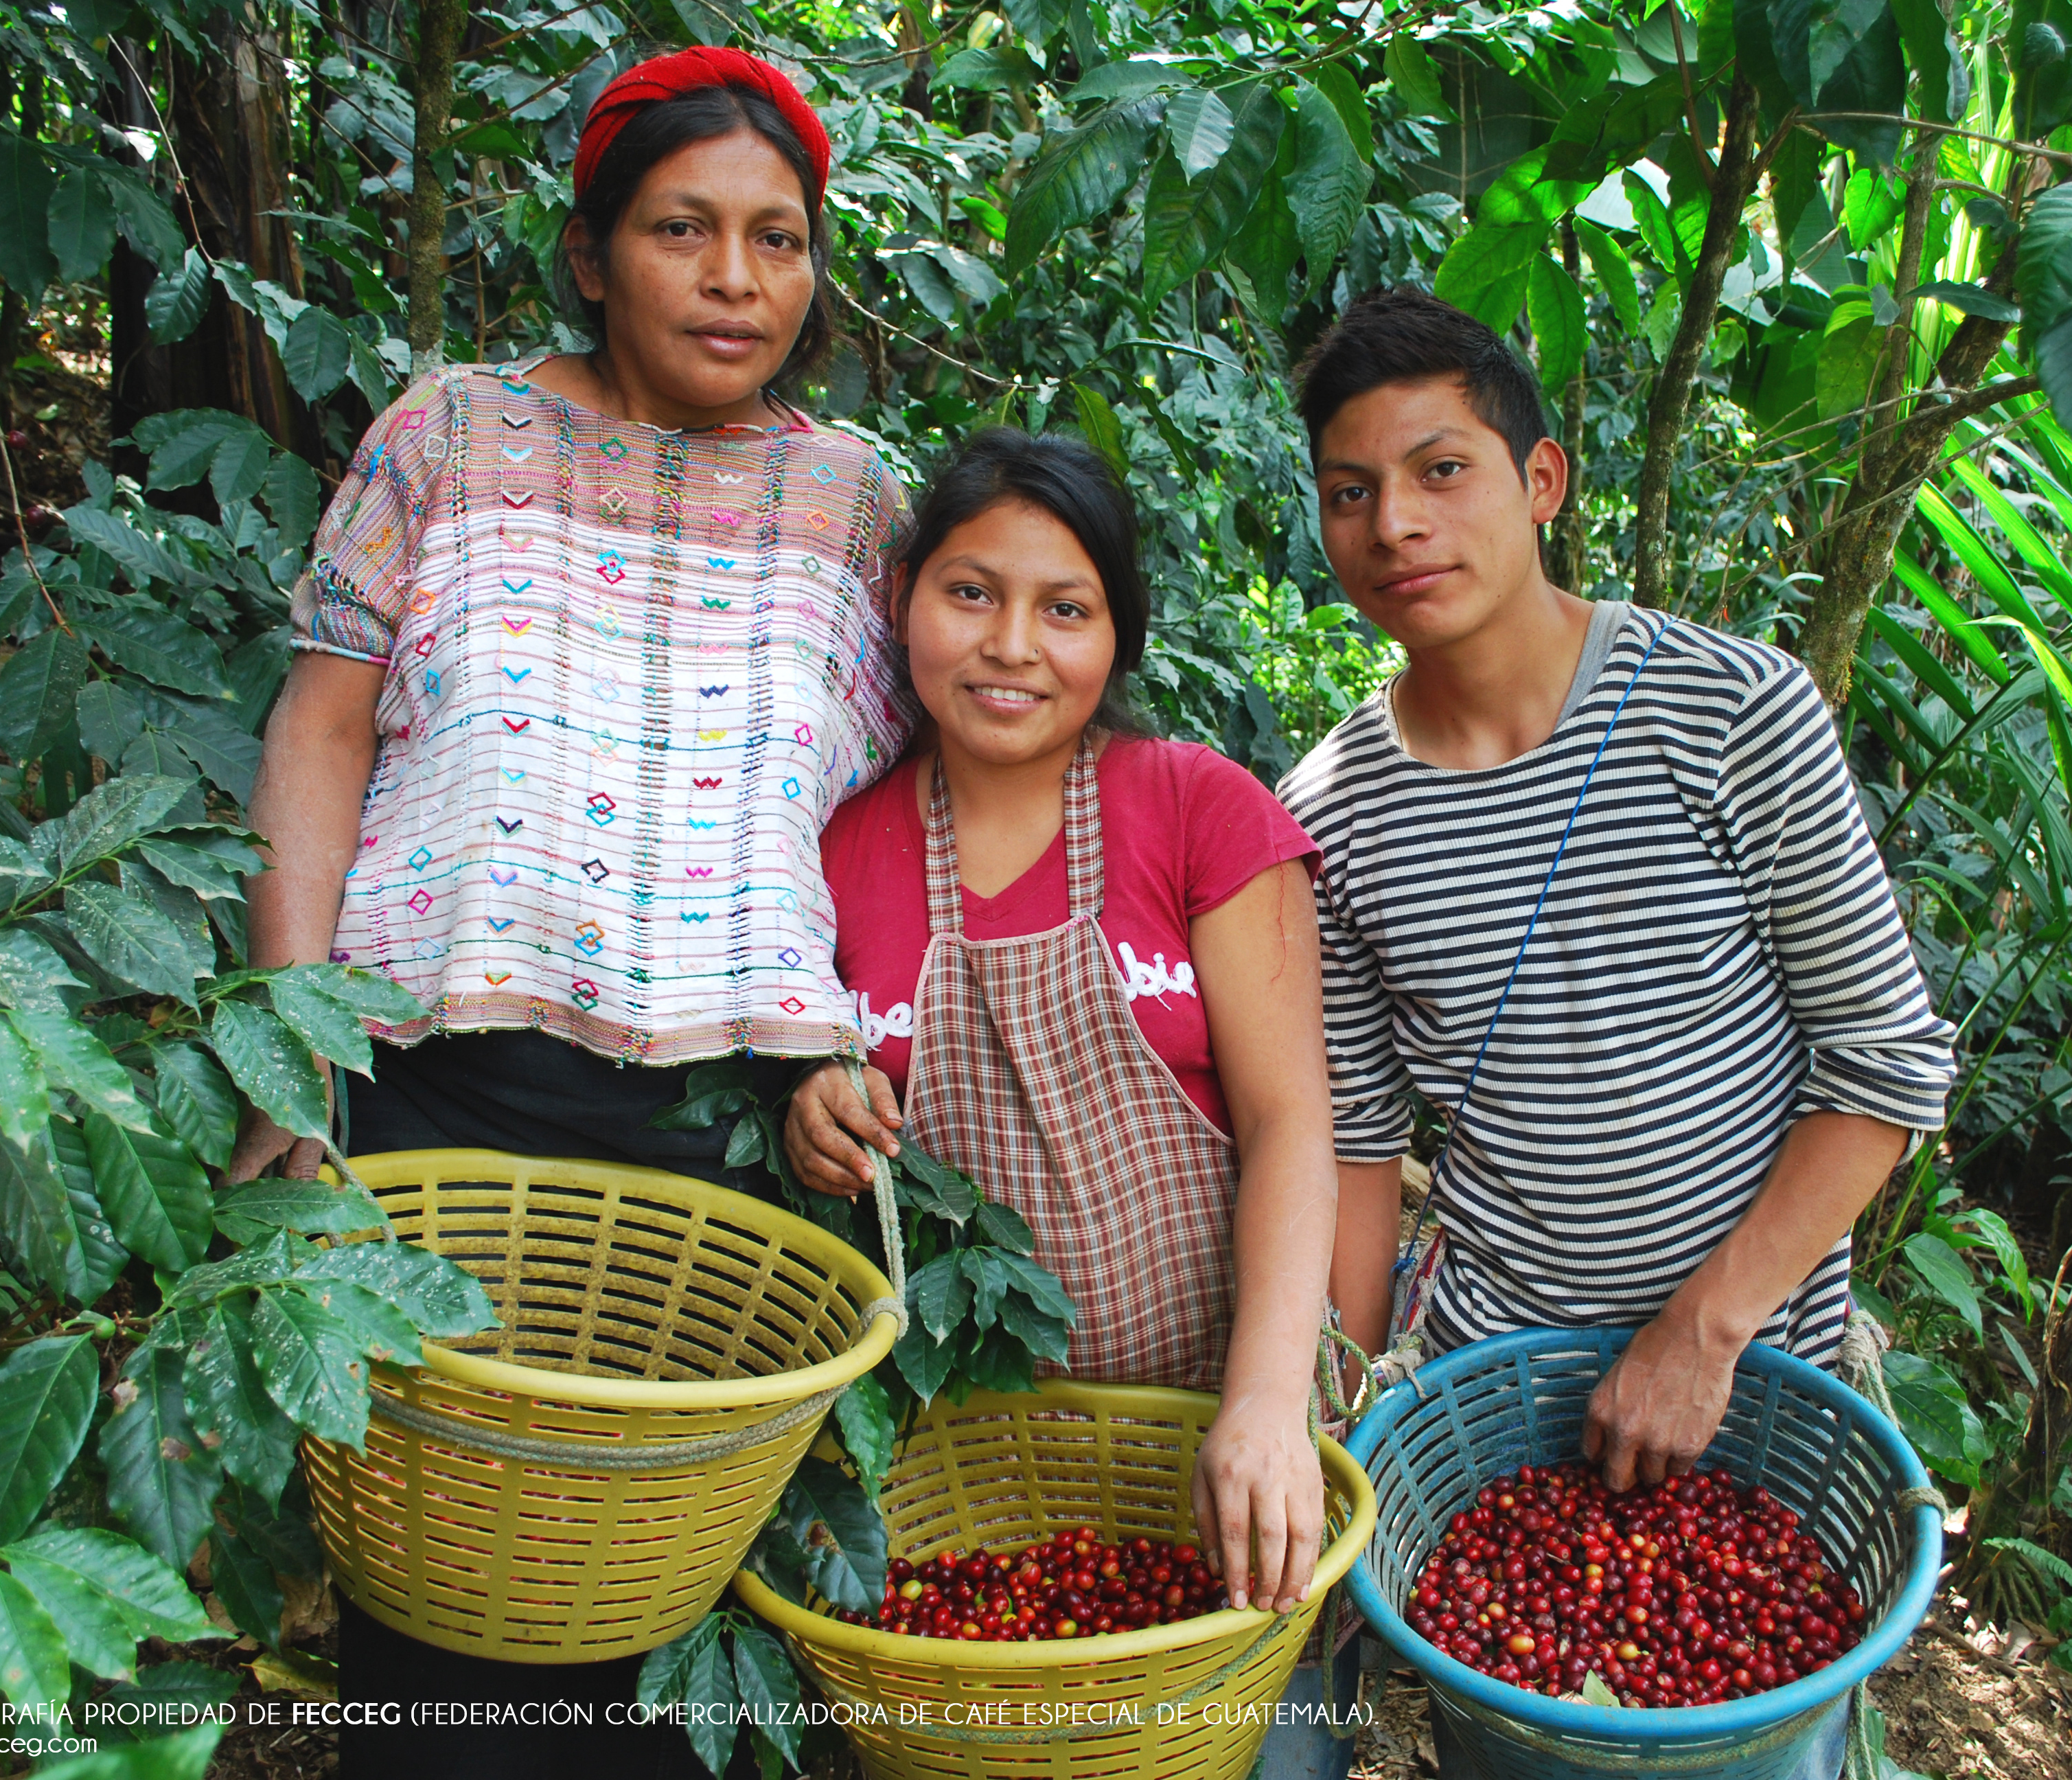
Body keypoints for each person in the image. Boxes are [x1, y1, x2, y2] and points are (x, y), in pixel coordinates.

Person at [237, 47, 907, 1779]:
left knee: (645, 1643)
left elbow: (912, 807)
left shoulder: (859, 505)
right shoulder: (449, 437)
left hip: (721, 1144)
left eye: (778, 237)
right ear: (595, 247)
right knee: (441, 1633)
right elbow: (319, 729)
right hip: (423, 1094)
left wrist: (847, 1050)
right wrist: (280, 1049)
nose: (737, 278)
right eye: (684, 228)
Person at [1278, 289, 1958, 1772]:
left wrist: (1701, 1332)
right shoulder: (1327, 817)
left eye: (1440, 469)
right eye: (1350, 491)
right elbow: (1359, 1140)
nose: (1394, 522)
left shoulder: (1730, 713)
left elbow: (1887, 1066)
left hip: (1760, 1386)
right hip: (1500, 1404)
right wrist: (1352, 1397)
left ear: (1542, 482)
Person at [781, 430, 1346, 1756]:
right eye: (971, 592)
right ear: (905, 598)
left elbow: (1293, 1126)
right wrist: (817, 1115)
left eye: (1066, 608)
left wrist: (1267, 1404)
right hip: (967, 1484)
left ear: (1117, 634)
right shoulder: (834, 847)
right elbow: (820, 1101)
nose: (1012, 645)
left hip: (1217, 1438)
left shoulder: (1198, 808)